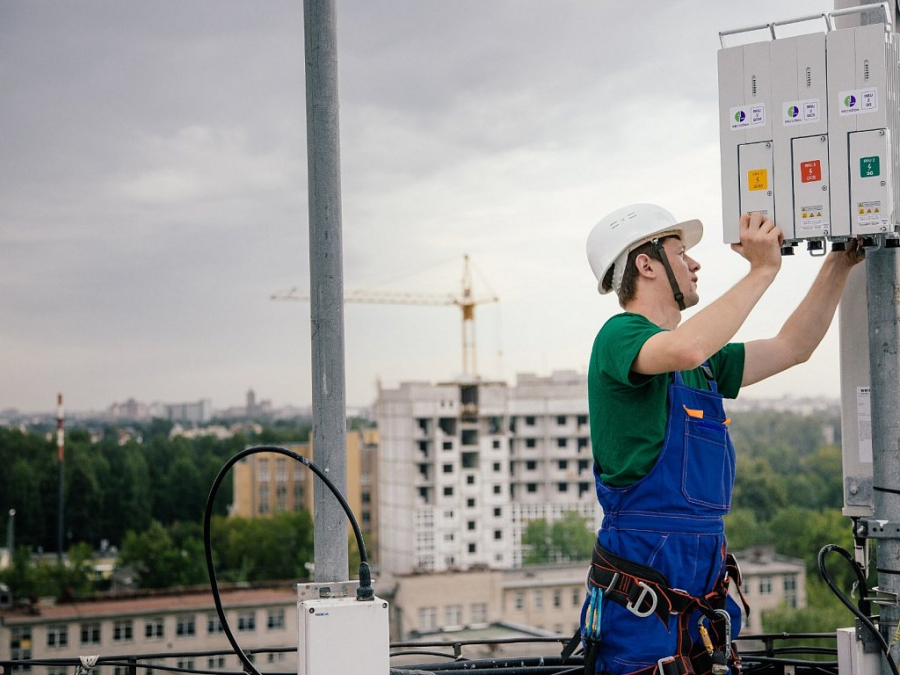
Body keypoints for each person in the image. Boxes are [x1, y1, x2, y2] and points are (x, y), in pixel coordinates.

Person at [578, 203, 864, 675]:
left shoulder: (704, 363)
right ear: (645, 264)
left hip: (700, 586)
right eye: (681, 252)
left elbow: (795, 346)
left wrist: (839, 262)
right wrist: (763, 269)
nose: (694, 264)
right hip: (646, 587)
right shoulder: (620, 336)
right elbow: (686, 344)